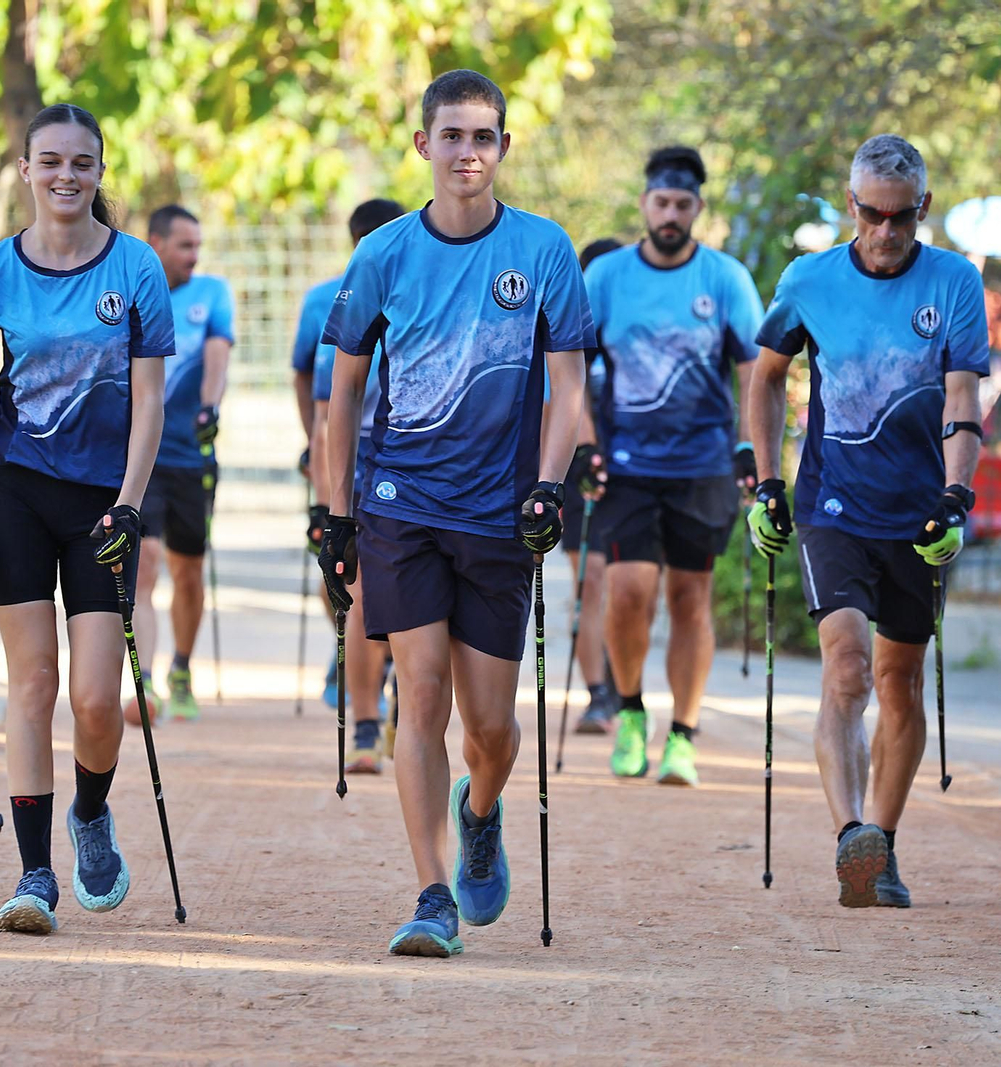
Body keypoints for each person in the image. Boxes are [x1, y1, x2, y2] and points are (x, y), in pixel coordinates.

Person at [318, 69, 593, 958]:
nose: (467, 152)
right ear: (423, 145)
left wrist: (550, 485)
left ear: (503, 147)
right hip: (401, 506)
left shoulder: (544, 249)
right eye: (452, 136)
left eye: (482, 137)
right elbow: (343, 391)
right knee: (422, 695)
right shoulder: (383, 254)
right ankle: (432, 892)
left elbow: (569, 386)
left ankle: (481, 811)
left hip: (501, 515)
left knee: (492, 730)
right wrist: (337, 516)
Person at [0, 103, 174, 934]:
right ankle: (34, 874)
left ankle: (91, 810)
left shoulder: (136, 268)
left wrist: (130, 502)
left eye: (82, 162)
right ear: (26, 170)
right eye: (51, 161)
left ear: (98, 171)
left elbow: (150, 400)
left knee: (99, 699)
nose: (66, 175)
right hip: (17, 496)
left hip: (104, 506)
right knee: (34, 681)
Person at [746, 133, 987, 908]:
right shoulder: (808, 279)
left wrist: (956, 496)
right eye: (872, 214)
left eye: (902, 216)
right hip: (833, 504)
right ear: (850, 204)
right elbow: (767, 378)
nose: (886, 232)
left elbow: (962, 397)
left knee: (900, 682)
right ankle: (850, 831)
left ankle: (881, 842)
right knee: (847, 666)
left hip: (918, 513)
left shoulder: (954, 281)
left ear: (924, 206)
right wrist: (766, 482)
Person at [581, 146, 765, 787]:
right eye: (661, 203)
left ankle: (683, 734)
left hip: (703, 465)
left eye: (683, 205)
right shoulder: (606, 276)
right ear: (644, 203)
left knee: (691, 599)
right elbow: (570, 364)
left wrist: (750, 447)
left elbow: (754, 370)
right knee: (629, 593)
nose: (670, 215)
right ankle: (630, 711)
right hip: (625, 466)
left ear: (697, 209)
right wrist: (584, 445)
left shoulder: (725, 279)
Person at [308, 198, 406, 772]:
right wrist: (326, 503)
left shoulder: (430, 293)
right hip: (364, 455)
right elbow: (327, 410)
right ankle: (365, 722)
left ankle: (398, 687)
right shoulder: (338, 303)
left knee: (413, 599)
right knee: (359, 592)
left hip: (417, 457)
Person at [127, 204, 235, 723]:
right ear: (157, 243)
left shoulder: (212, 293)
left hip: (193, 457)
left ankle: (182, 669)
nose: (195, 255)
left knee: (188, 572)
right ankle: (144, 682)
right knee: (144, 562)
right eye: (185, 245)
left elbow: (217, 358)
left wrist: (210, 406)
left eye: (198, 245)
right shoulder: (133, 291)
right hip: (141, 457)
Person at [566, 237, 621, 735]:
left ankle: (627, 685)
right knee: (591, 580)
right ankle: (598, 692)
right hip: (581, 469)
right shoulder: (570, 327)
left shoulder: (627, 326)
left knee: (629, 583)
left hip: (635, 474)